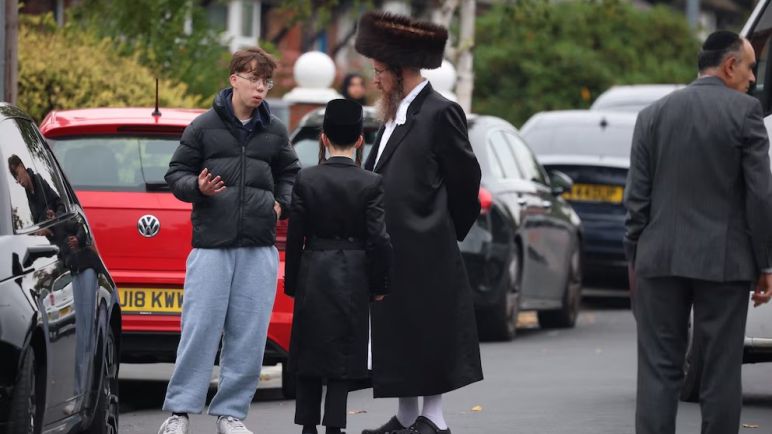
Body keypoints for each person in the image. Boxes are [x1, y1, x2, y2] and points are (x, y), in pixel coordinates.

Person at [624, 30, 772, 434]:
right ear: (730, 66)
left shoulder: (652, 115)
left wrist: (636, 259)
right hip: (725, 264)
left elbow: (636, 202)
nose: (752, 79)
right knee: (721, 372)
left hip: (658, 260)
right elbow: (760, 197)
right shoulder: (746, 113)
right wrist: (765, 264)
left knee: (658, 370)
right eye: (751, 69)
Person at [158, 47, 300, 434]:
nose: (261, 88)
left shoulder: (275, 130)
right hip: (211, 246)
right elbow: (176, 174)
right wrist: (198, 187)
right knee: (200, 328)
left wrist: (281, 205)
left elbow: (291, 172)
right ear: (234, 79)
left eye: (266, 81)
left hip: (259, 246)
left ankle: (231, 415)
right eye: (254, 79)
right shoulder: (203, 126)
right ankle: (179, 412)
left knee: (249, 335)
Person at [354, 11, 483, 434]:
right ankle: (407, 417)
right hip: (393, 246)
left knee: (428, 331)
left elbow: (466, 180)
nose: (374, 80)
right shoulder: (394, 112)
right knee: (400, 331)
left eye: (378, 71)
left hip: (428, 247)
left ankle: (434, 419)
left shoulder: (441, 112)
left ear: (399, 69)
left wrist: (439, 229)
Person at [284, 98, 392, 434]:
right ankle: (334, 425)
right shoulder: (371, 182)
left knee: (309, 349)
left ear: (323, 138)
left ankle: (307, 426)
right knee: (342, 353)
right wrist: (379, 284)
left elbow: (295, 237)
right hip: (354, 274)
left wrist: (292, 282)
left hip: (313, 269)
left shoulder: (306, 179)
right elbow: (379, 239)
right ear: (360, 140)